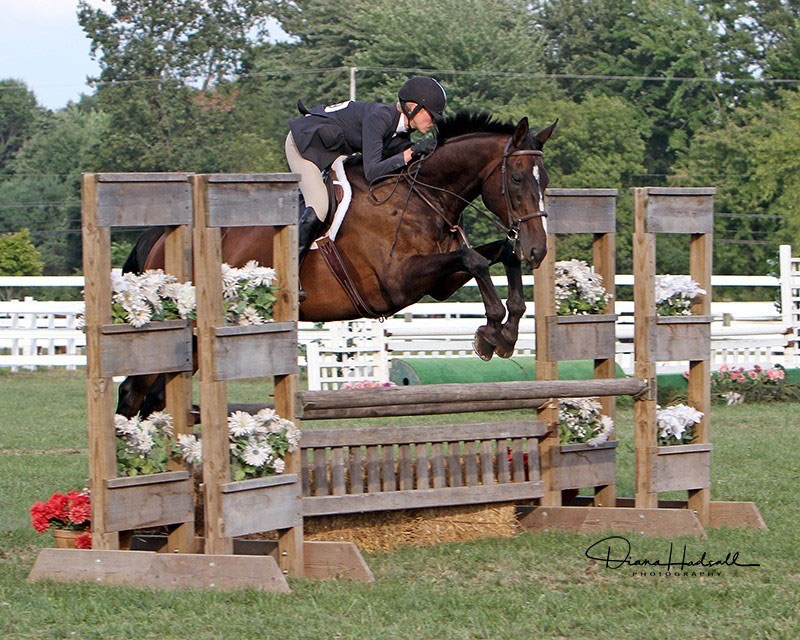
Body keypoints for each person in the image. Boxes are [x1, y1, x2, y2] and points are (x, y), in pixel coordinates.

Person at [285, 76, 447, 269]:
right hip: (304, 144)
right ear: (413, 107)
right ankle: (288, 269)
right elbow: (372, 172)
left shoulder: (399, 132)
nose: (434, 122)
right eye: (431, 115)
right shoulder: (380, 117)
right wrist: (410, 153)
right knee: (320, 205)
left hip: (330, 151)